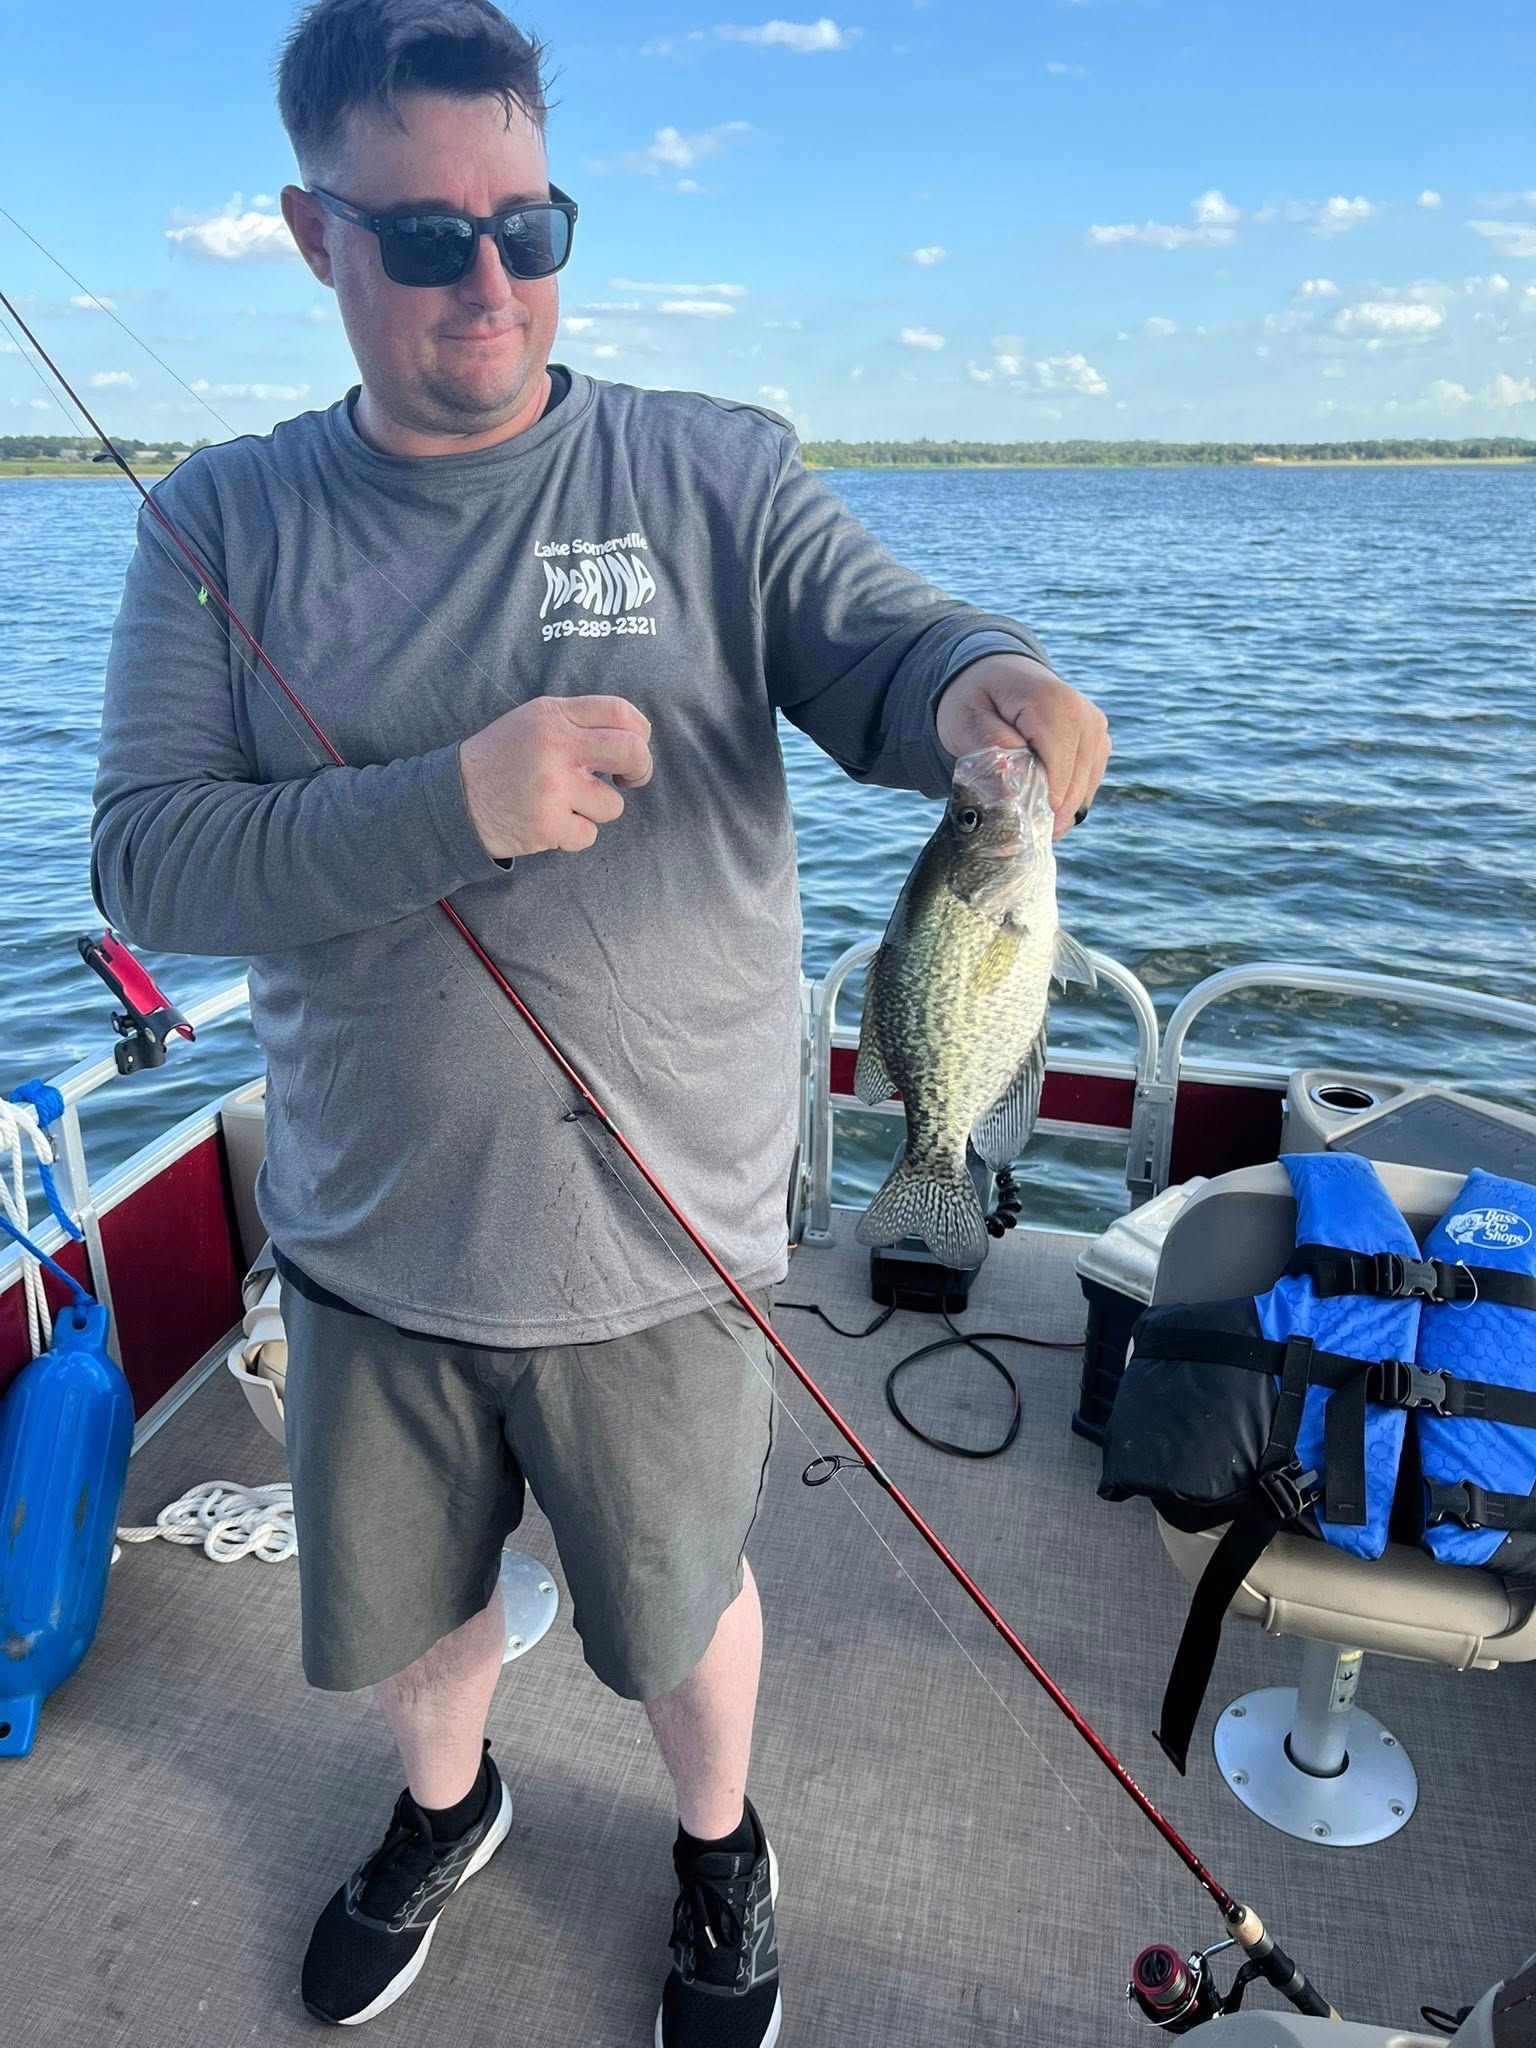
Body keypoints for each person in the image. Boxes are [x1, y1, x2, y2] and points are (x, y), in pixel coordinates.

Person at [90, 2, 1111, 2041]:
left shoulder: (711, 468)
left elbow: (885, 641)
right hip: (373, 1220)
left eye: (529, 226)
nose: (492, 279)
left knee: (675, 1604)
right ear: (313, 237)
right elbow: (148, 862)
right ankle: (444, 1806)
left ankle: (721, 1850)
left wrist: (994, 687)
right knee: (418, 1605)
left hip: (660, 1226)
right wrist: (445, 803)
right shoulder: (216, 519)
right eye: (424, 237)